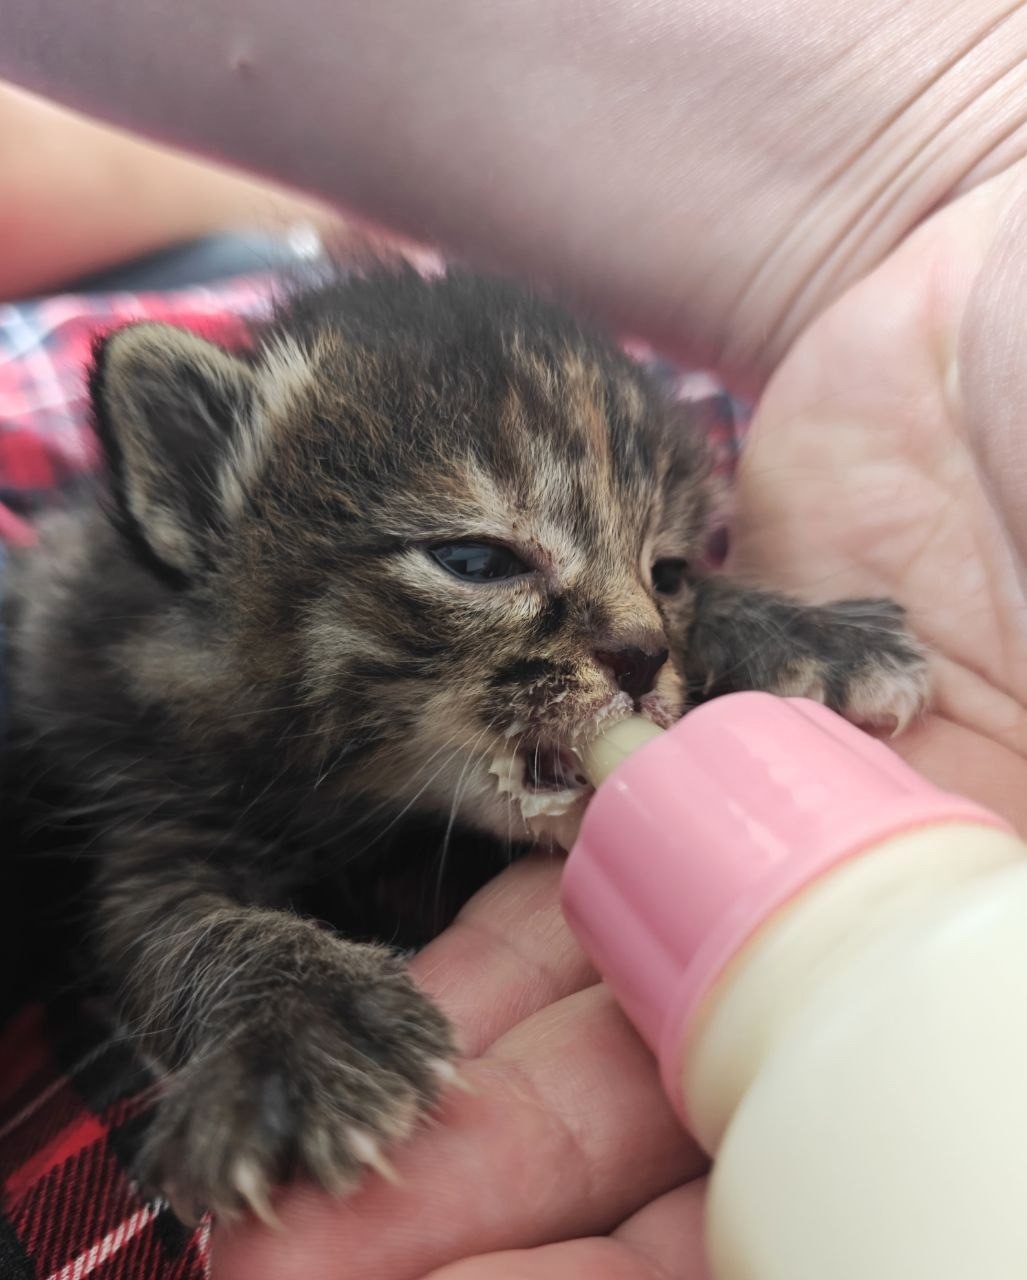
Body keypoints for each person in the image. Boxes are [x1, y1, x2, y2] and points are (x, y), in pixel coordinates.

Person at [0, 3, 1024, 1276]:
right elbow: (158, 891)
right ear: (205, 503)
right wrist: (254, 985)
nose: (644, 632)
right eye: (482, 562)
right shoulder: (118, 683)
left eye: (664, 570)